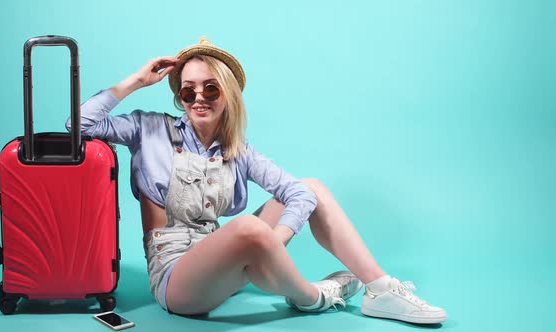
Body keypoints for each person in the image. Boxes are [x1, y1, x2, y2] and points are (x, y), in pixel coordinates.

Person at [67, 36, 446, 324]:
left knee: (311, 186)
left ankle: (380, 289)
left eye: (210, 88)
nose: (198, 98)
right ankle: (312, 296)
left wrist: (271, 244)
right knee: (248, 226)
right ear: (180, 96)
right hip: (177, 282)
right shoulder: (147, 128)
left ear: (227, 94)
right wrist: (135, 81)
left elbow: (297, 193)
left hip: (222, 263)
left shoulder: (237, 150)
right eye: (188, 90)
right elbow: (76, 126)